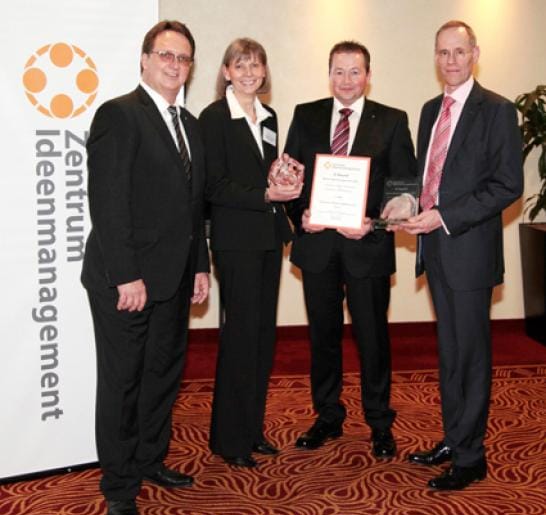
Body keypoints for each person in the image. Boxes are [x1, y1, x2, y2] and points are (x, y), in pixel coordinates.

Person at [81, 20, 209, 515]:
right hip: (126, 282)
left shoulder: (190, 124)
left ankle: (151, 460)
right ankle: (119, 485)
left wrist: (200, 266)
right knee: (123, 383)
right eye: (166, 55)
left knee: (161, 376)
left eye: (183, 58)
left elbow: (195, 207)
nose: (175, 65)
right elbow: (108, 202)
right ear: (145, 59)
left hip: (174, 279)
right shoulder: (119, 114)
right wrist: (126, 275)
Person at [398, 20, 523, 490]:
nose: (450, 60)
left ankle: (472, 458)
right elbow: (426, 177)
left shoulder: (498, 110)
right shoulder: (431, 110)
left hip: (469, 253)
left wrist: (443, 216)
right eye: (442, 52)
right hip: (434, 250)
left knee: (470, 355)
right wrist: (405, 204)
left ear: (475, 53)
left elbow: (508, 185)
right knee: (450, 353)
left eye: (458, 51)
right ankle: (455, 439)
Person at [284, 41, 417, 458]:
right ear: (329, 74)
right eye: (338, 71)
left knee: (372, 340)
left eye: (355, 71)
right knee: (322, 337)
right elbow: (290, 178)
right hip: (318, 246)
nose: (346, 80)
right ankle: (327, 415)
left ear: (368, 75)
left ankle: (379, 422)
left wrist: (374, 222)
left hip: (368, 248)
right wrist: (300, 214)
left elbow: (405, 188)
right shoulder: (305, 115)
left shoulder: (392, 120)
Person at [199, 39, 303, 469]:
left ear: (264, 71)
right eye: (239, 66)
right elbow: (214, 186)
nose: (248, 73)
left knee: (262, 337)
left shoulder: (269, 116)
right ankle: (229, 438)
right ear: (226, 71)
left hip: (267, 237)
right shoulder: (213, 118)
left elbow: (265, 174)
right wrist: (264, 193)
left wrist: (284, 180)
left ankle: (252, 428)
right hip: (236, 240)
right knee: (240, 337)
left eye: (255, 65)